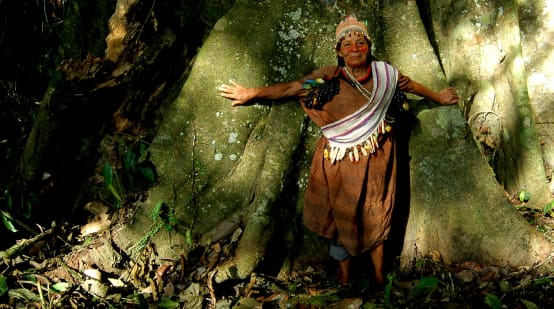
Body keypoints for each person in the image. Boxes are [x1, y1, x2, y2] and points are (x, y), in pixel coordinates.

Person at [219, 15, 459, 288]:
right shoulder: (327, 78)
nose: (354, 48)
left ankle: (379, 277)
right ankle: (344, 276)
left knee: (377, 212)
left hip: (378, 158)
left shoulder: (386, 75)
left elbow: (411, 86)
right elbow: (293, 88)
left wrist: (438, 97)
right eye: (347, 44)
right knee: (339, 216)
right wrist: (252, 93)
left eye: (360, 43)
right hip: (340, 160)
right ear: (338, 51)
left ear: (369, 47)